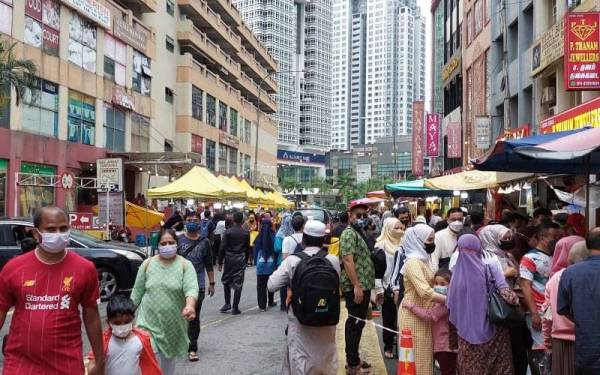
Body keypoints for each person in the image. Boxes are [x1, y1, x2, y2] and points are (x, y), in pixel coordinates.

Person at [0, 206, 105, 375]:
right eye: (50, 229)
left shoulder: (85, 269)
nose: (58, 233)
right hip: (20, 364)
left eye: (63, 228)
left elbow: (92, 316)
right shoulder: (13, 268)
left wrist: (100, 361)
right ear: (36, 233)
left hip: (67, 364)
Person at [268, 220, 341, 375]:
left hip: (300, 322)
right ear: (323, 240)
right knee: (326, 360)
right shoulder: (333, 260)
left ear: (303, 239)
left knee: (300, 361)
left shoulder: (292, 261)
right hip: (327, 320)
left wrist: (290, 284)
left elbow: (271, 285)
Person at [447, 234, 519, 375]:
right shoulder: (491, 266)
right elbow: (509, 296)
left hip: (465, 331)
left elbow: (450, 305)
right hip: (494, 329)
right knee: (498, 367)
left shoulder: (457, 272)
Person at [131, 229, 199, 374]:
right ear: (158, 245)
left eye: (171, 242)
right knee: (150, 360)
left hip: (173, 325)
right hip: (147, 323)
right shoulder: (147, 265)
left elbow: (191, 288)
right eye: (163, 243)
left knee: (168, 365)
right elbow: (136, 294)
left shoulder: (185, 265)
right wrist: (124, 319)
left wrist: (190, 306)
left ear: (177, 244)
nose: (167, 246)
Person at [479, 223, 529, 375]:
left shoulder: (507, 255)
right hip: (497, 308)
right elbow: (482, 283)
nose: (508, 240)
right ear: (492, 239)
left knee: (517, 348)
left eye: (509, 237)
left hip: (512, 306)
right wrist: (505, 274)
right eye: (505, 238)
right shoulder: (485, 258)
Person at [397, 224, 445, 375]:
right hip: (412, 314)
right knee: (415, 357)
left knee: (424, 355)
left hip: (423, 312)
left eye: (433, 239)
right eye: (429, 240)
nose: (432, 243)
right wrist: (451, 300)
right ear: (418, 240)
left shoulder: (423, 259)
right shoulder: (413, 263)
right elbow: (424, 292)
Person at [520, 222, 560, 374]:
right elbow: (525, 286)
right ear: (542, 238)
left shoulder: (555, 257)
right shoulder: (529, 258)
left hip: (552, 310)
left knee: (547, 350)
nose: (556, 240)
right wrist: (534, 313)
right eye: (554, 237)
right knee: (540, 349)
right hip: (538, 310)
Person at [340, 202, 376, 374]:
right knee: (354, 323)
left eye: (364, 215)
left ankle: (354, 359)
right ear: (350, 215)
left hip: (364, 285)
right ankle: (352, 365)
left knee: (359, 323)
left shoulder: (358, 232)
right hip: (356, 286)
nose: (361, 218)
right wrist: (356, 286)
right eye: (358, 215)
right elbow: (348, 260)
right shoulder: (348, 234)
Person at [558, 229, 600, 374]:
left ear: (587, 245)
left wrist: (581, 318)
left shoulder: (570, 272)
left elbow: (562, 308)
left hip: (586, 349)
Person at [544, 238, 588, 375]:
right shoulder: (591, 276)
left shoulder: (555, 278)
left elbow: (547, 315)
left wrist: (547, 343)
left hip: (560, 341)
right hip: (586, 339)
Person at [87, 295, 162, 375]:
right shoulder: (103, 341)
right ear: (108, 322)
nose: (122, 325)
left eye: (127, 322)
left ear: (133, 319)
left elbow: (150, 361)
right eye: (117, 323)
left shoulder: (142, 340)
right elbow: (93, 363)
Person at [177, 212, 215, 362]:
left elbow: (209, 264)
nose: (192, 222)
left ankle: (192, 348)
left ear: (200, 223)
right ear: (185, 222)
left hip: (198, 285)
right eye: (189, 220)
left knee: (194, 317)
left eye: (195, 220)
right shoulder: (178, 240)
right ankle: (179, 342)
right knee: (179, 315)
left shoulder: (205, 242)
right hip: (179, 283)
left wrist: (211, 283)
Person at [402, 269, 456, 375]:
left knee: (448, 371)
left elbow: (429, 315)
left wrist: (411, 306)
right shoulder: (441, 301)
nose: (438, 286)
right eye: (435, 283)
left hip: (446, 347)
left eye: (443, 284)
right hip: (444, 346)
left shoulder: (447, 303)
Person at [373, 218, 404, 359]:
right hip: (387, 288)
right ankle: (388, 345)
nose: (400, 231)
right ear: (388, 229)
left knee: (402, 318)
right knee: (389, 318)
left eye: (401, 228)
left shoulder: (405, 243)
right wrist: (379, 289)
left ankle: (402, 344)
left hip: (403, 288)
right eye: (396, 228)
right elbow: (377, 270)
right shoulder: (381, 245)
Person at [218, 211, 250, 315]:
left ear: (233, 220)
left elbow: (222, 247)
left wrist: (219, 261)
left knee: (226, 280)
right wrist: (245, 261)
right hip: (240, 258)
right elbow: (247, 249)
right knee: (238, 283)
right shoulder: (246, 233)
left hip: (229, 258)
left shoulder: (228, 232)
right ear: (242, 220)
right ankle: (235, 307)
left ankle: (227, 303)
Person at [431, 207, 465, 272]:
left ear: (463, 220)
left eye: (460, 219)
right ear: (447, 220)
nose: (457, 222)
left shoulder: (466, 235)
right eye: (453, 219)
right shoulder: (439, 236)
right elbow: (434, 261)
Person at [254, 216, 277, 311]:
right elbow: (275, 249)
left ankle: (262, 306)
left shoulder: (259, 236)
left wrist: (256, 262)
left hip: (261, 265)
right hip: (271, 264)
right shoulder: (273, 235)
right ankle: (271, 301)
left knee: (261, 285)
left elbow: (255, 251)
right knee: (270, 283)